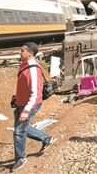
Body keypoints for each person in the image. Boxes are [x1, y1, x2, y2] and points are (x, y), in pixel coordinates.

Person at [12, 42, 57, 172]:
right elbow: (24, 86)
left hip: (30, 104)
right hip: (22, 103)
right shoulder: (24, 65)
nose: (20, 53)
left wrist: (26, 110)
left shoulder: (32, 69)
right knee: (21, 129)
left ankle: (20, 158)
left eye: (22, 51)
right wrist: (17, 98)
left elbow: (36, 93)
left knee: (19, 131)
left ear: (30, 54)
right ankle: (47, 139)